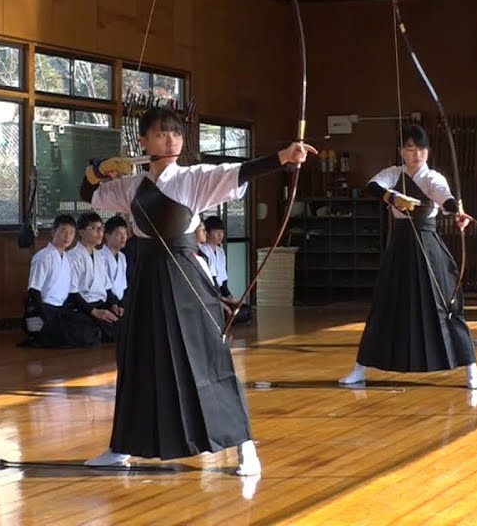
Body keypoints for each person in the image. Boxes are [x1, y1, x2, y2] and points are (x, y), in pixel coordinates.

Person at [79, 106, 315, 476]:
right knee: (139, 360)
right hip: (146, 279)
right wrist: (97, 170)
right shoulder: (131, 186)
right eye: (160, 134)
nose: (171, 141)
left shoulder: (194, 178)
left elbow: (241, 170)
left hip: (185, 277)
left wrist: (284, 157)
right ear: (143, 141)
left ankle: (244, 446)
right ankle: (122, 446)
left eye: (176, 134)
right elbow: (88, 193)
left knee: (208, 360)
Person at [338, 124, 477, 391]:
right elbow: (372, 186)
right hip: (400, 247)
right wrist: (393, 198)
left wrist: (456, 212)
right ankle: (360, 369)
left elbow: (445, 198)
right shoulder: (393, 174)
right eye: (409, 148)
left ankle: (472, 371)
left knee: (447, 306)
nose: (415, 154)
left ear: (428, 152)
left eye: (420, 149)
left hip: (428, 245)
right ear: (401, 152)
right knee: (384, 306)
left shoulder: (433, 178)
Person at [21, 215, 99, 348]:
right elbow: (33, 292)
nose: (67, 236)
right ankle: (40, 336)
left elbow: (71, 293)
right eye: (63, 231)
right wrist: (47, 319)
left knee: (89, 326)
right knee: (79, 334)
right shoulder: (43, 257)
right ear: (53, 232)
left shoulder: (67, 259)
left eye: (71, 233)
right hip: (42, 311)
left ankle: (49, 336)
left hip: (59, 311)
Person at [69, 212, 120, 342]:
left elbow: (107, 288)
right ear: (81, 232)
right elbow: (72, 293)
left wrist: (114, 305)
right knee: (88, 332)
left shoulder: (100, 256)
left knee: (125, 325)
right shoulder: (72, 257)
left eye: (101, 228)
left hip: (100, 305)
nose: (99, 232)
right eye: (94, 228)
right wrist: (94, 311)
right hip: (84, 307)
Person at [198, 216, 252, 324]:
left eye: (222, 232)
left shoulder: (220, 251)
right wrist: (223, 299)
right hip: (211, 295)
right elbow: (212, 282)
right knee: (234, 312)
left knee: (246, 310)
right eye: (216, 232)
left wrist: (230, 297)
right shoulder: (203, 251)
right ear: (207, 233)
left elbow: (223, 282)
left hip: (220, 295)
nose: (220, 235)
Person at [98, 215, 130, 317]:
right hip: (105, 304)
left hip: (119, 305)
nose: (123, 237)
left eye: (125, 233)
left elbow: (123, 286)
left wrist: (122, 305)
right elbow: (103, 285)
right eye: (118, 234)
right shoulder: (100, 256)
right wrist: (113, 304)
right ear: (107, 236)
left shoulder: (122, 257)